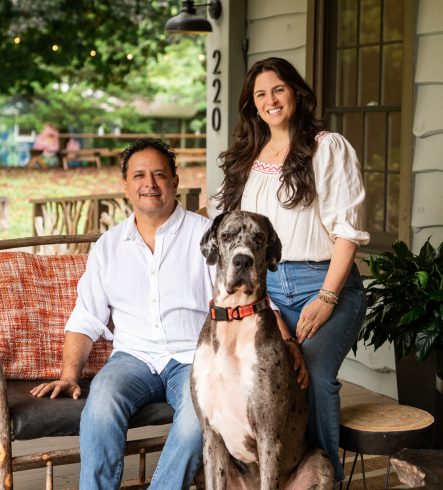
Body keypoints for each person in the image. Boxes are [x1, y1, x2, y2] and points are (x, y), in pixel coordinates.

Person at [210, 57, 370, 482]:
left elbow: (347, 235)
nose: (270, 101)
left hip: (326, 285)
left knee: (312, 377)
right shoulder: (246, 158)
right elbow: (231, 232)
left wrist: (326, 298)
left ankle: (322, 478)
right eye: (260, 95)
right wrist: (273, 315)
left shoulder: (327, 147)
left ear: (296, 92)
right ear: (252, 106)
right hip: (266, 293)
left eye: (277, 90)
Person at [31, 138, 214, 489]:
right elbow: (86, 317)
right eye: (140, 175)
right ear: (126, 185)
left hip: (194, 357)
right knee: (99, 410)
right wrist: (69, 375)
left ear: (175, 181)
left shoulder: (205, 235)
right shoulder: (109, 246)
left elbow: (230, 303)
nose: (150, 183)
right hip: (133, 359)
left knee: (197, 422)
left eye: (160, 174)